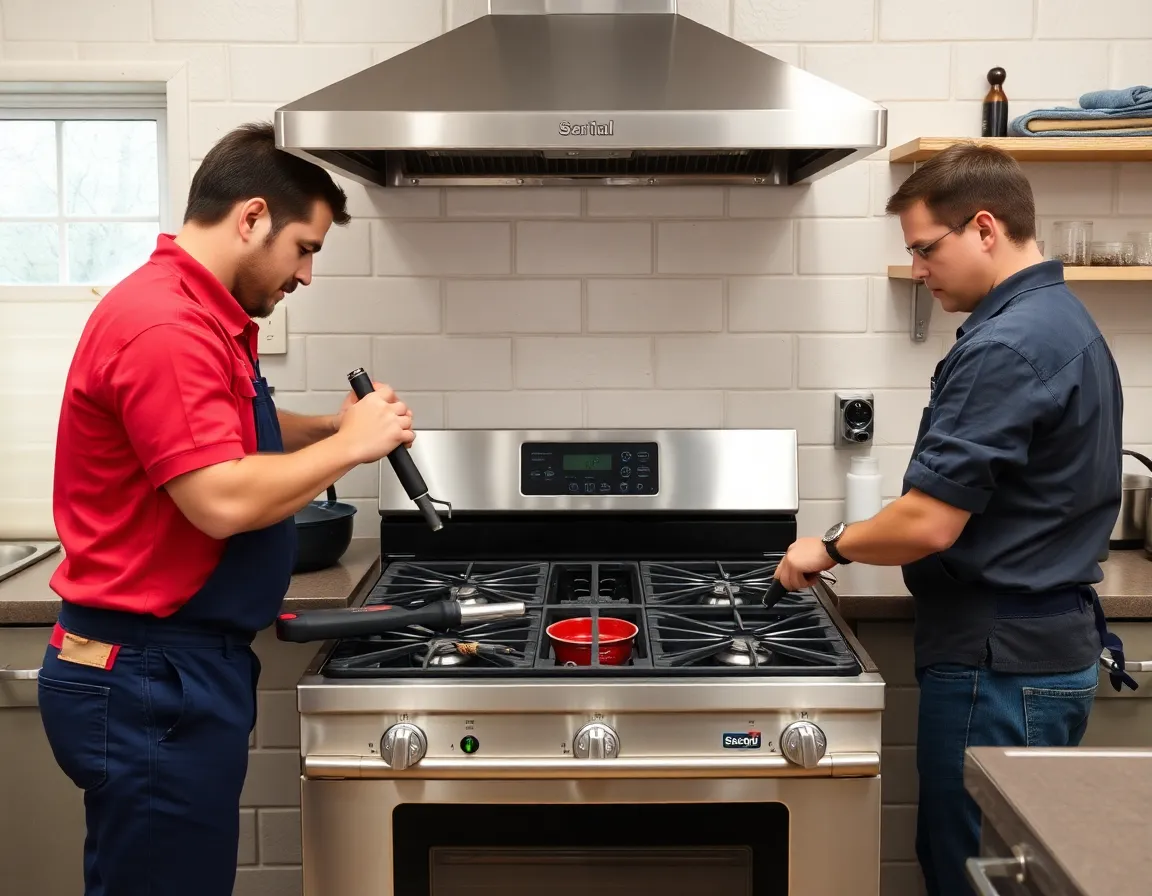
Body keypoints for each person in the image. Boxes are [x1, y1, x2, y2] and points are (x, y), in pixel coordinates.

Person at [38, 121, 416, 896]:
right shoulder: (166, 326)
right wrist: (351, 448)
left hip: (167, 666)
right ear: (251, 218)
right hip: (149, 671)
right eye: (304, 248)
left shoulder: (194, 312)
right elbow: (217, 498)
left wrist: (335, 426)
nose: (306, 274)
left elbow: (231, 436)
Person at [772, 142, 1136, 896]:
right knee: (1007, 871)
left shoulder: (1008, 343)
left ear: (984, 228)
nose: (917, 269)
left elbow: (930, 523)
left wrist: (831, 545)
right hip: (1035, 654)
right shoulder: (1062, 321)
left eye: (924, 249)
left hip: (1000, 662)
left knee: (975, 876)